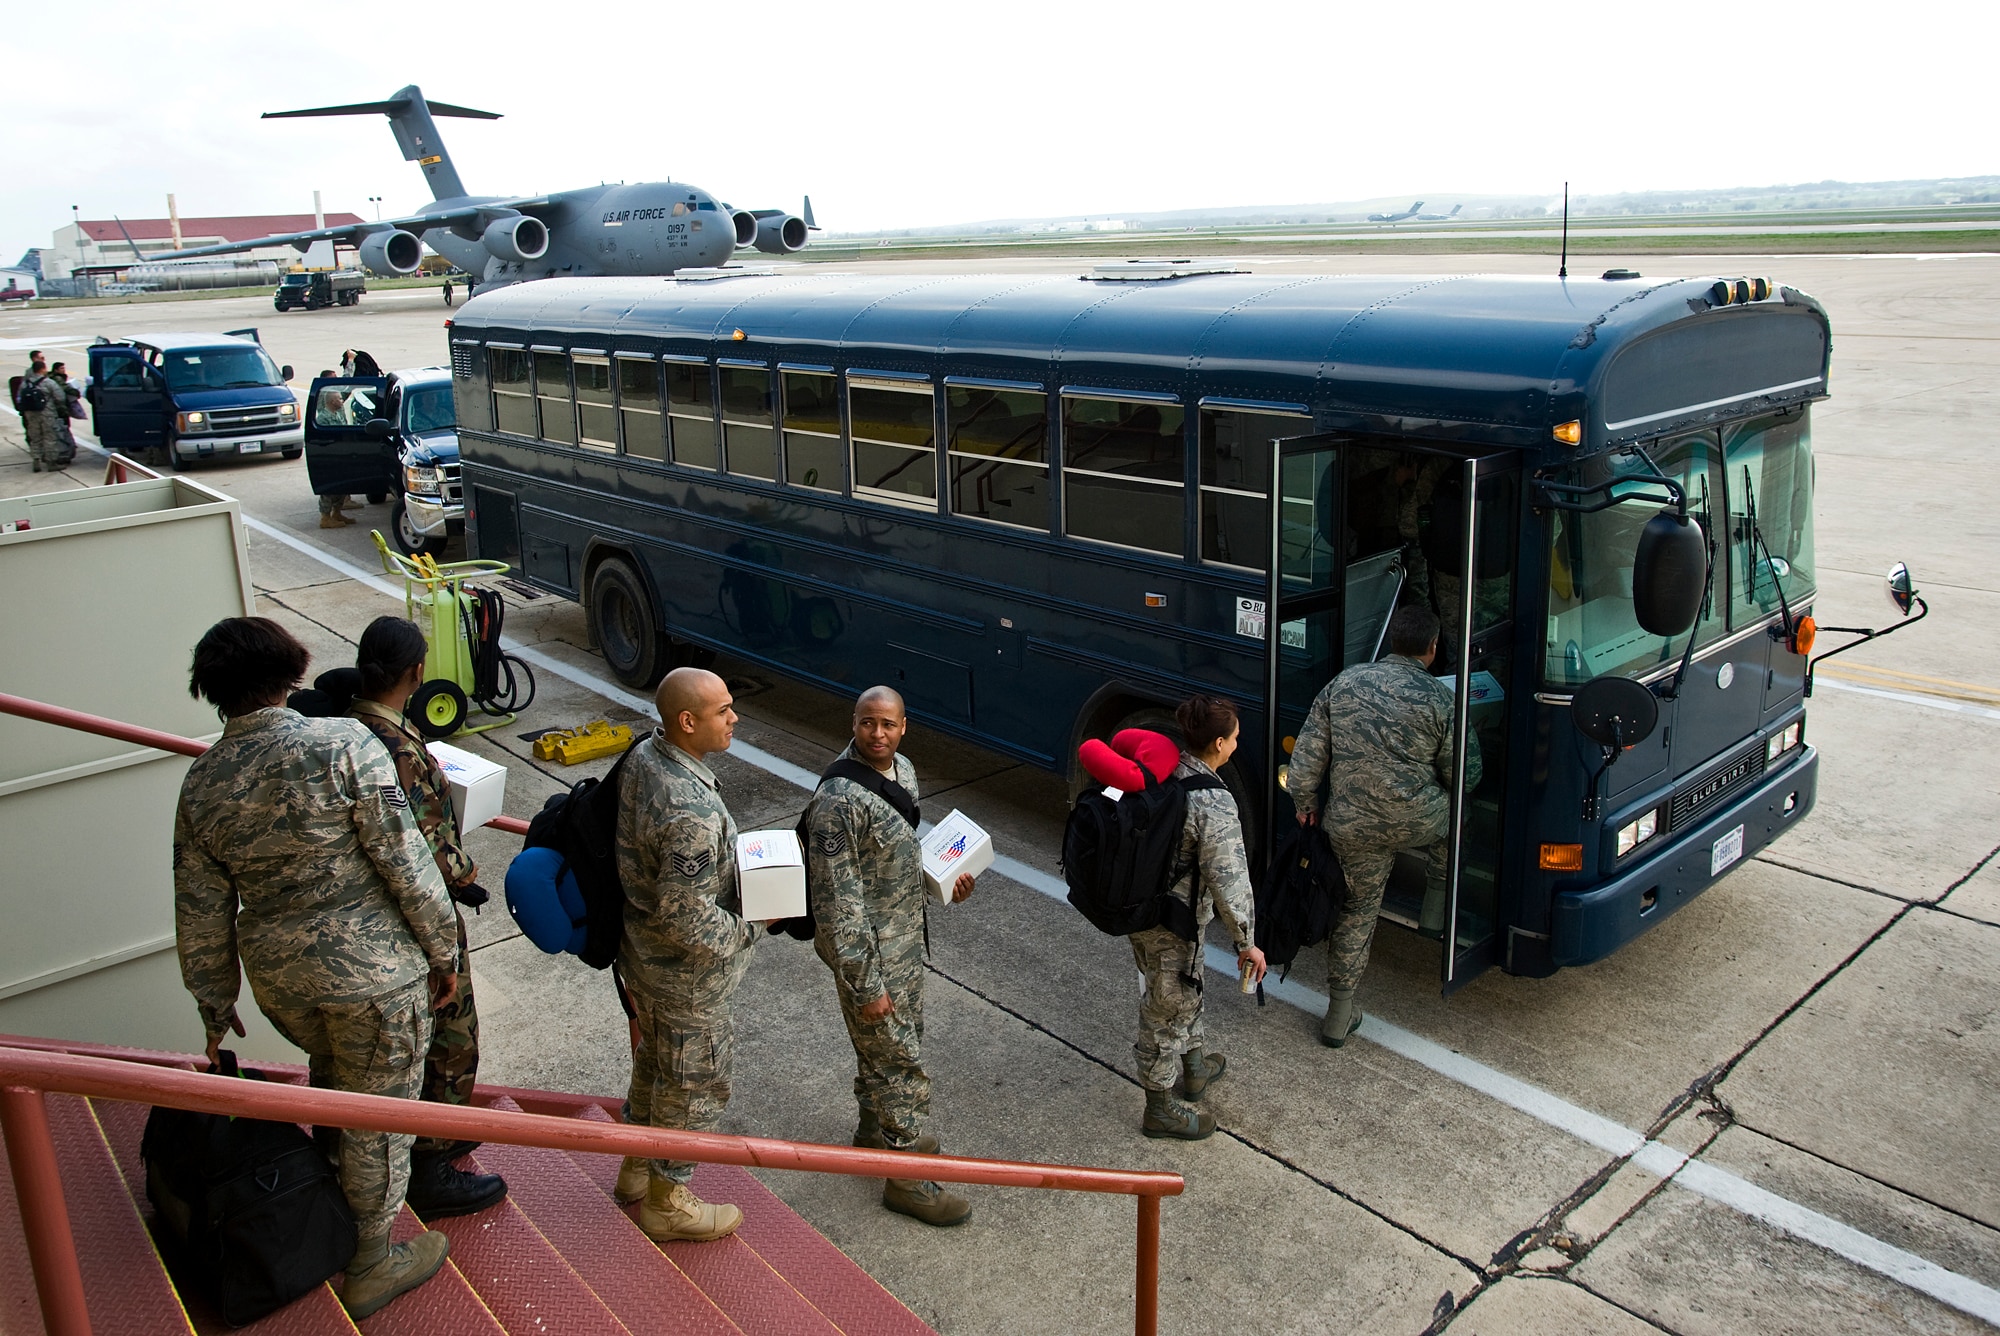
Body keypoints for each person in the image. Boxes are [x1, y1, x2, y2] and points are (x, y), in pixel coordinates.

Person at [172, 617, 462, 1319]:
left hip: (281, 981)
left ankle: (337, 1212)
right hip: (372, 977)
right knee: (380, 1116)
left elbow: (200, 908)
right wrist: (444, 950)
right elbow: (405, 858)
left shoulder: (202, 782)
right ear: (292, 669)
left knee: (335, 1081)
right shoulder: (343, 746)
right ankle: (369, 1261)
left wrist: (215, 1006)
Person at [345, 617, 508, 1218]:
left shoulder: (351, 727)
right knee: (449, 1031)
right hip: (420, 914)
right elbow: (423, 836)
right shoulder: (388, 743)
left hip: (378, 914)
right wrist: (465, 877)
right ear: (416, 674)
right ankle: (431, 1161)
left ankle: (435, 1130)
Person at [802, 686, 976, 1226]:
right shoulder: (838, 802)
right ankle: (905, 1179)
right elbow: (836, 904)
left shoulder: (902, 769)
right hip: (871, 955)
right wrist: (865, 984)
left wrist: (943, 882)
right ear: (852, 723)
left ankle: (873, 1130)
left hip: (903, 943)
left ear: (904, 727)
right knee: (900, 1060)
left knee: (887, 1047)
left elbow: (897, 854)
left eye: (889, 724)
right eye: (867, 723)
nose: (878, 734)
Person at [613, 667, 763, 1242]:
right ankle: (667, 1200)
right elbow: (686, 915)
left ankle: (635, 1165)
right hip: (683, 977)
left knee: (655, 1064)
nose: (734, 718)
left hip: (643, 959)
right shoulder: (689, 809)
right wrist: (753, 926)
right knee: (692, 1080)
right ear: (687, 721)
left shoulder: (645, 756)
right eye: (723, 710)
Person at [1286, 606, 1481, 1047]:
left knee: (1356, 911)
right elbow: (1465, 776)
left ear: (1392, 641)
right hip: (1418, 819)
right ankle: (1435, 907)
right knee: (1459, 815)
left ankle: (1339, 1013)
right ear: (1433, 649)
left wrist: (1305, 803)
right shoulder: (1442, 699)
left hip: (1350, 825)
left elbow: (1305, 762)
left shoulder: (1344, 683)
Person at [1124, 697, 1265, 1140]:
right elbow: (1231, 881)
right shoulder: (1214, 803)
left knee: (1183, 984)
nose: (1238, 745)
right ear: (1219, 743)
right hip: (1175, 921)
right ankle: (1160, 1108)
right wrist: (1247, 941)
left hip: (1141, 910)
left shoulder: (1163, 771)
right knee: (1166, 1009)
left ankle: (1196, 1066)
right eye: (1236, 738)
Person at [314, 379, 356, 528]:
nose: (341, 400)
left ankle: (336, 512)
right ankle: (325, 518)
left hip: (341, 454)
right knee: (329, 488)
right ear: (332, 401)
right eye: (339, 398)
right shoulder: (324, 418)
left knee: (342, 485)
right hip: (330, 456)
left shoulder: (338, 413)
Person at [19, 355, 68, 472]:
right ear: (42, 369)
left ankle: (36, 461)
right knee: (50, 437)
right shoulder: (48, 382)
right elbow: (60, 397)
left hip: (31, 414)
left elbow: (20, 396)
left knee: (35, 437)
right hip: (47, 413)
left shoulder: (25, 383)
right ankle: (51, 462)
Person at [49, 363, 82, 464]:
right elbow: (64, 389)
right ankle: (64, 452)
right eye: (61, 368)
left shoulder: (55, 378)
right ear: (56, 370)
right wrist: (75, 392)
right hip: (59, 409)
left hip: (58, 409)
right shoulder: (58, 379)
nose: (63, 370)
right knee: (63, 429)